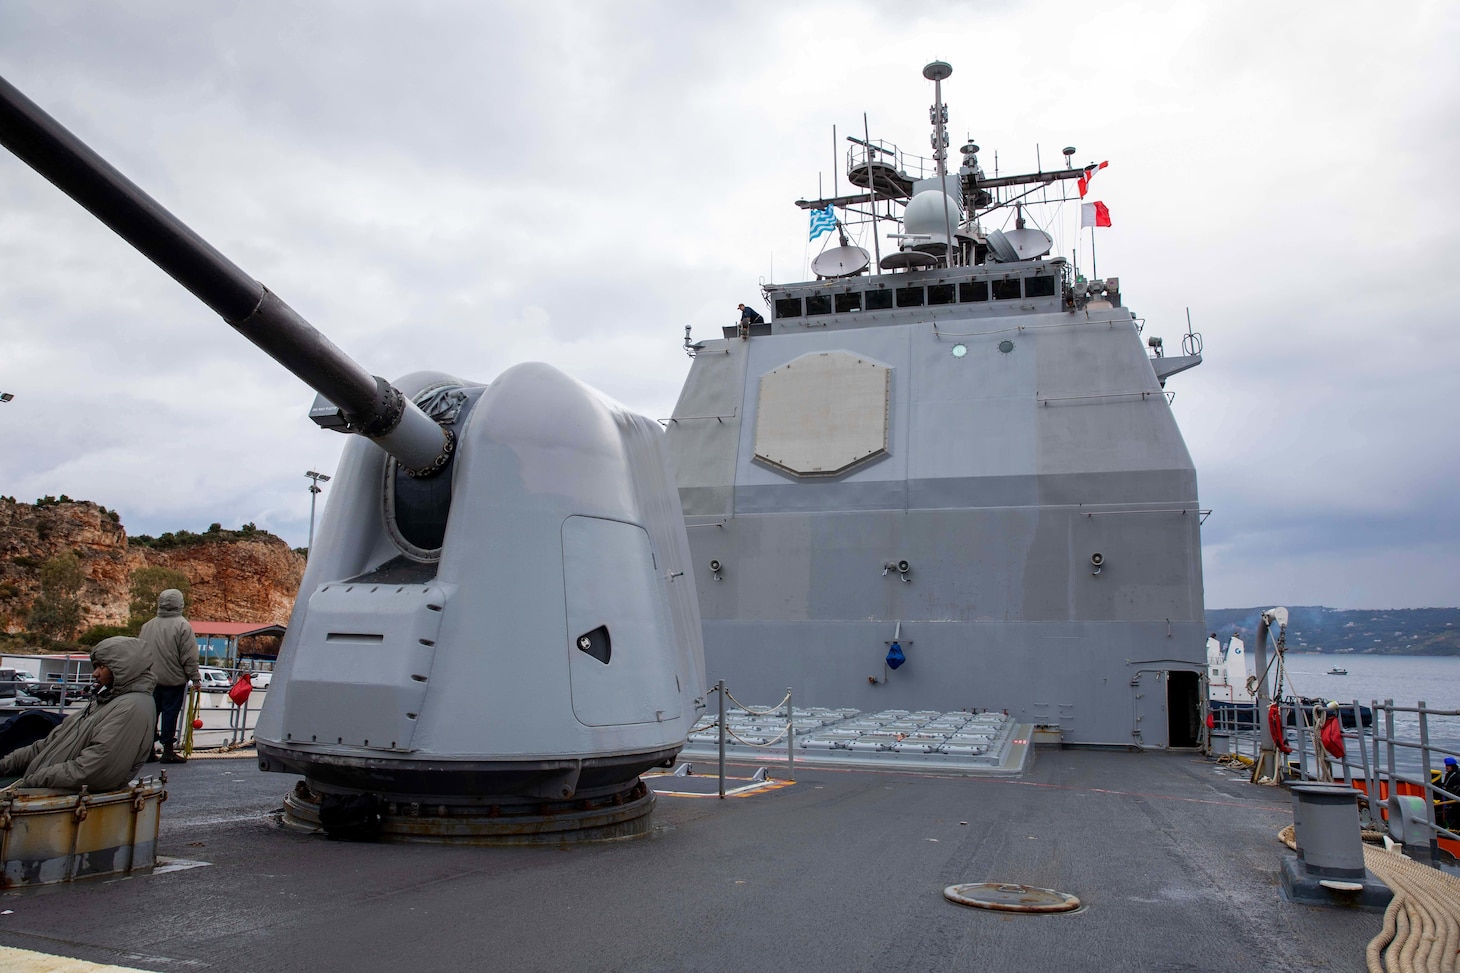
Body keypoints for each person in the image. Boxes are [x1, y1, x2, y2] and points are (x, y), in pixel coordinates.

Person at [0, 637, 156, 792]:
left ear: (123, 668)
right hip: (44, 782)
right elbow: (48, 744)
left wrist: (30, 781)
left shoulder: (131, 708)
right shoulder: (104, 702)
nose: (95, 674)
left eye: (101, 667)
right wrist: (5, 765)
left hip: (54, 789)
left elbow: (95, 768)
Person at [139, 588, 199, 764]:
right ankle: (168, 750)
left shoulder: (147, 626)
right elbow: (188, 656)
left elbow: (140, 652)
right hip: (173, 680)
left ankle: (148, 749)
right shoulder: (183, 626)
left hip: (149, 680)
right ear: (179, 603)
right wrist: (195, 678)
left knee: (150, 714)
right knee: (170, 715)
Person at [1441, 756, 1460, 832]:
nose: (1446, 767)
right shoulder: (1450, 774)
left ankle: (1453, 829)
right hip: (1450, 797)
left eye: (1448, 766)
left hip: (1454, 800)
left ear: (1452, 766)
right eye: (1446, 766)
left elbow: (1447, 787)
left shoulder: (1455, 775)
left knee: (1452, 815)